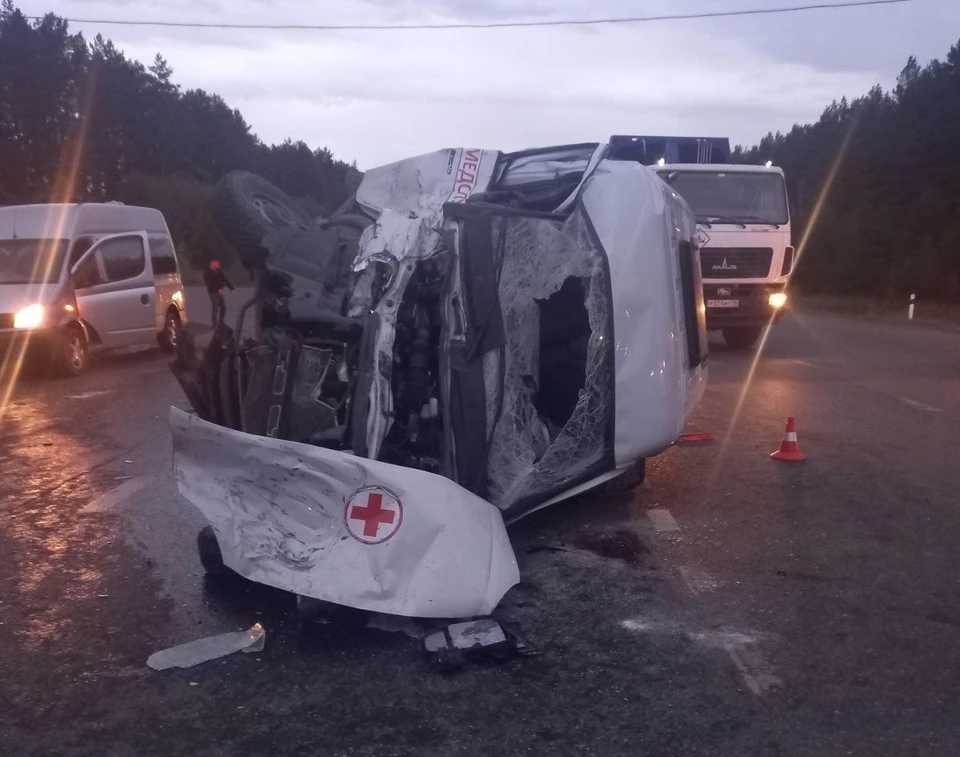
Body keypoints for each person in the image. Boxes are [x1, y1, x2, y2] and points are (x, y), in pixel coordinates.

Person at [203, 259, 234, 327]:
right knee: (215, 307)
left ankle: (221, 321)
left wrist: (231, 288)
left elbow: (225, 279)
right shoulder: (207, 272)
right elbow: (210, 283)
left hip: (219, 291)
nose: (218, 264)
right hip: (212, 292)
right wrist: (218, 288)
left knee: (223, 307)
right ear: (212, 263)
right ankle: (214, 323)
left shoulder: (218, 271)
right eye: (216, 262)